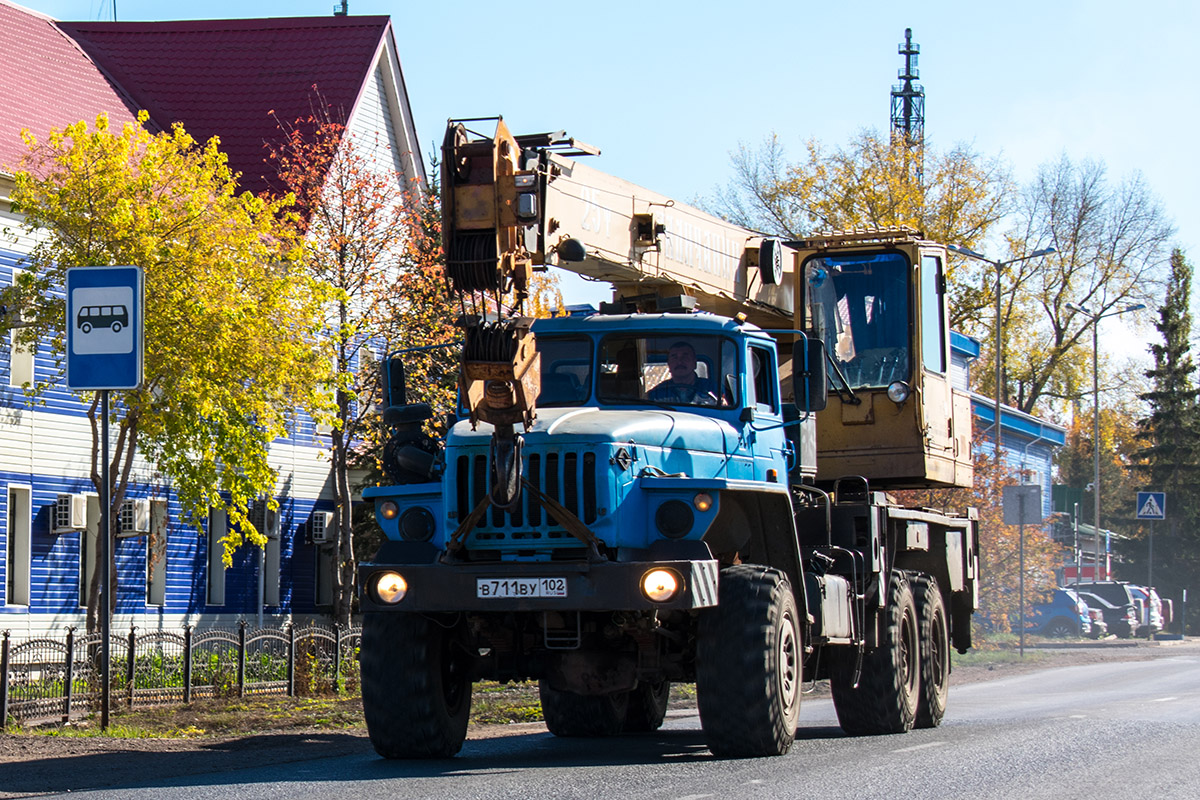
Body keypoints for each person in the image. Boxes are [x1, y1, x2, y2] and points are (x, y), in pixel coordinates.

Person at [648, 341, 719, 405]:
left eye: (685, 357)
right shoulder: (657, 393)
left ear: (694, 363)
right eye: (674, 357)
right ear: (669, 364)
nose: (679, 362)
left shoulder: (714, 389)